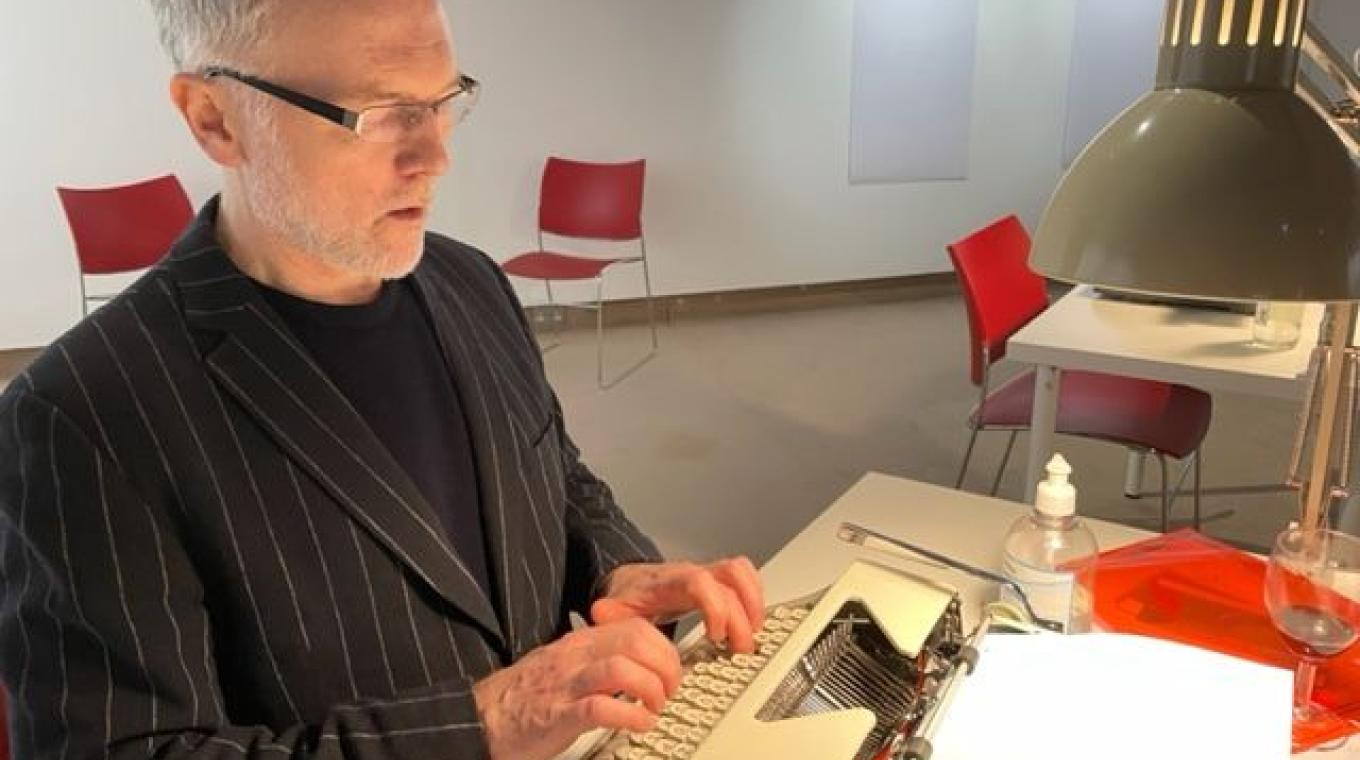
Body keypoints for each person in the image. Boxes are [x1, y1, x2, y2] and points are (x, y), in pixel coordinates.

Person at [0, 1, 764, 758]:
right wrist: (484, 725)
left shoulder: (472, 284)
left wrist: (619, 570)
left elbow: (557, 479)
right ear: (215, 119)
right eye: (378, 114)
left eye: (442, 103)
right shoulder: (80, 413)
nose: (434, 157)